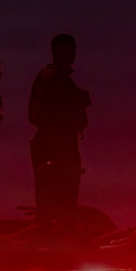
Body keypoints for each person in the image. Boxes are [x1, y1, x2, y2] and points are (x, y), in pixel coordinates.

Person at [28, 33, 91, 217]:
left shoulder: (62, 79)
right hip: (55, 146)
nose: (71, 54)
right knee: (56, 201)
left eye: (72, 49)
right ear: (56, 51)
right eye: (66, 49)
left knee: (65, 201)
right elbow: (41, 114)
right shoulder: (51, 78)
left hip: (64, 145)